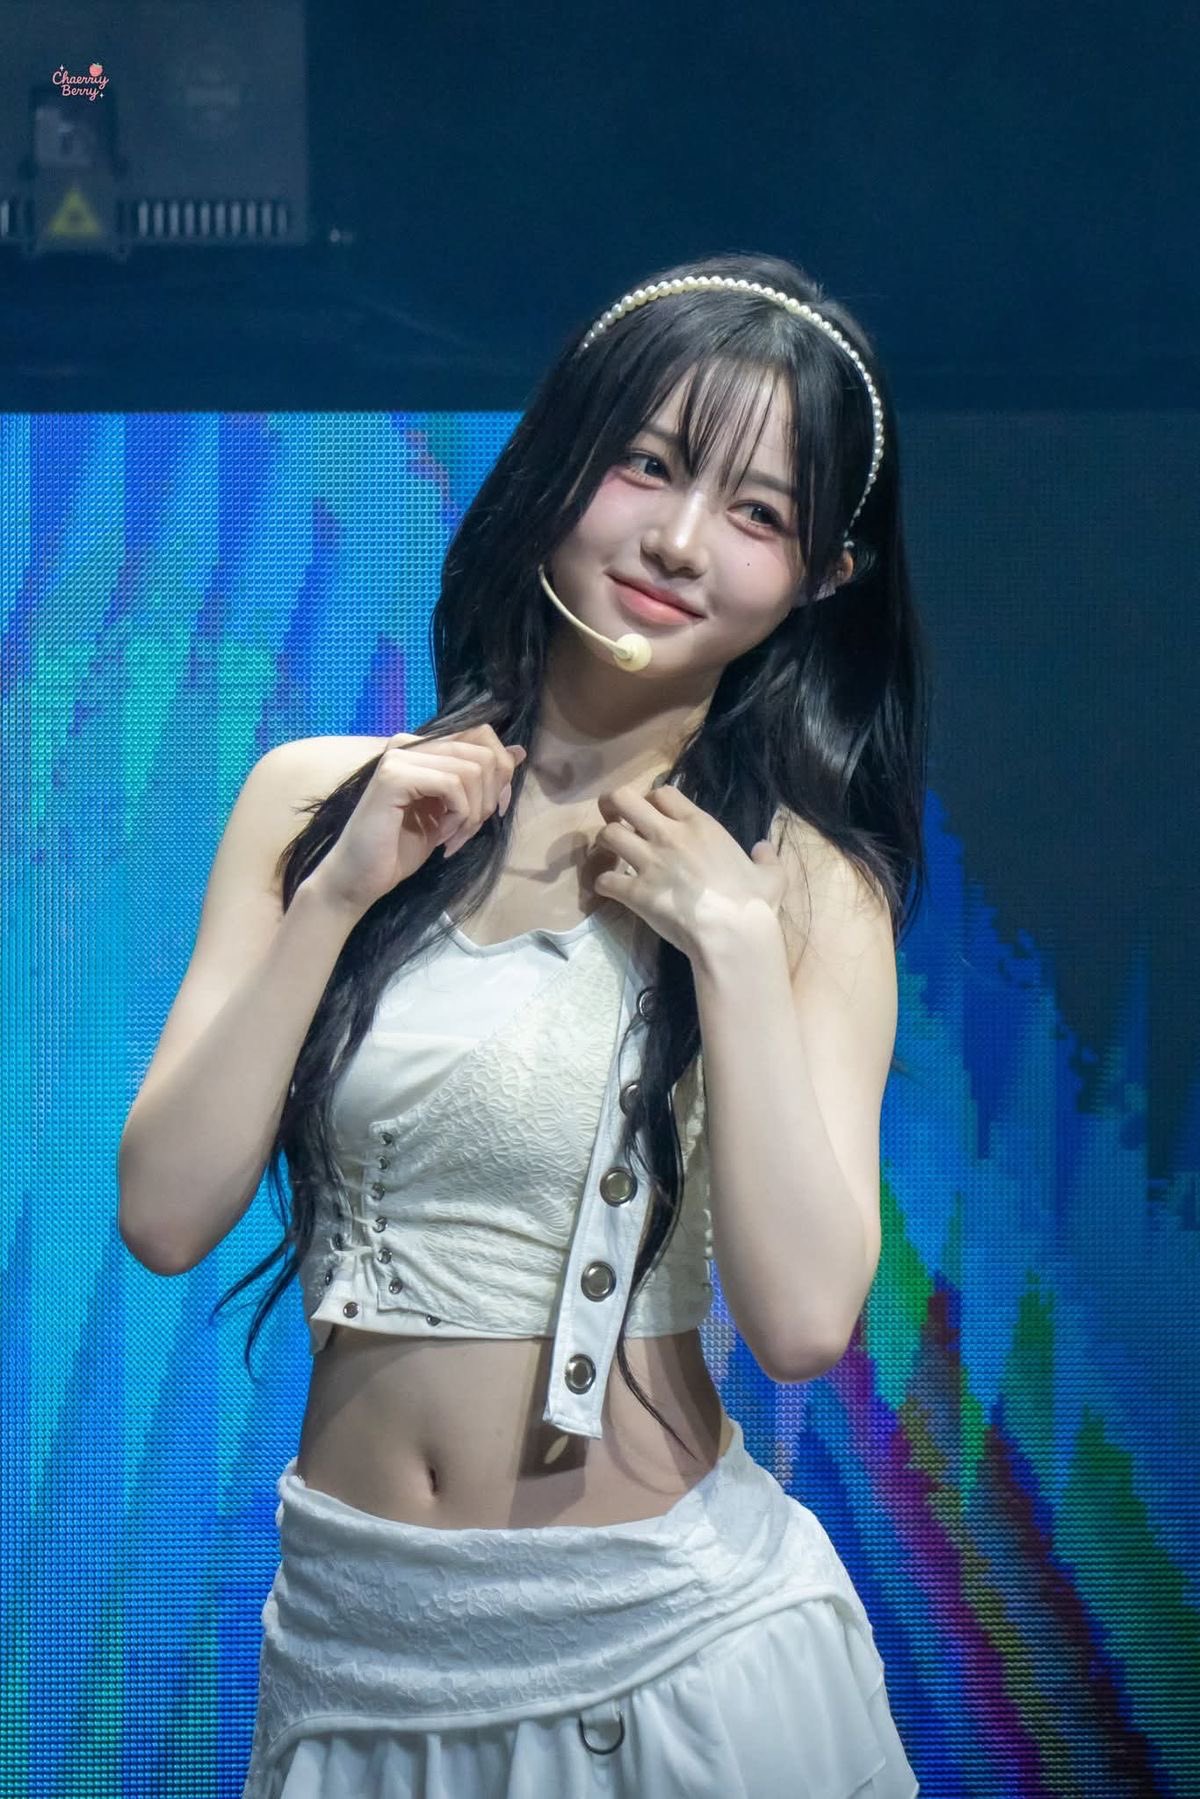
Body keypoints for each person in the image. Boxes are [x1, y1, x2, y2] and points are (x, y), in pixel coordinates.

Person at [118, 250, 927, 1795]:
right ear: (563, 456)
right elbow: (163, 1214)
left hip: (666, 1654)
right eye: (651, 465)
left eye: (759, 514)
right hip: (355, 1644)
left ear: (823, 576)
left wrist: (732, 951)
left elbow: (805, 1322)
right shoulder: (314, 797)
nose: (680, 541)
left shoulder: (802, 888)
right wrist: (338, 893)